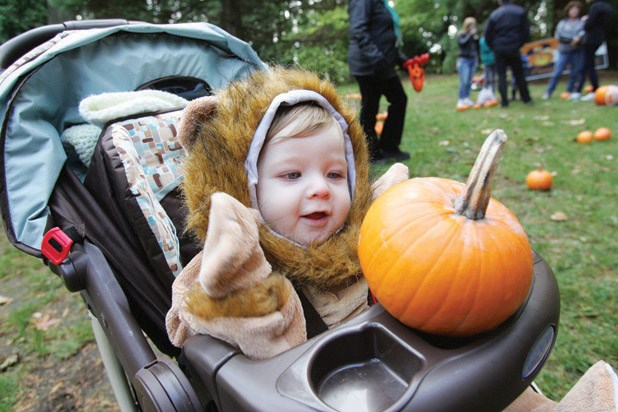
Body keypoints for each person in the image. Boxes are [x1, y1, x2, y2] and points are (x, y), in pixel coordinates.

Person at [165, 67, 409, 359]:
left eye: (335, 174)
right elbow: (182, 324)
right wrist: (231, 294)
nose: (321, 188)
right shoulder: (232, 259)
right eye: (293, 175)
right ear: (243, 188)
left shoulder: (371, 236)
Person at [348, 0, 410, 163]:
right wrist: (377, 59)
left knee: (399, 100)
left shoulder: (382, 3)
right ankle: (371, 153)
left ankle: (390, 146)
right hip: (368, 65)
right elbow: (359, 31)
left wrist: (403, 60)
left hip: (384, 64)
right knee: (370, 107)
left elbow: (386, 37)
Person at [485, 0, 533, 107]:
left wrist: (494, 46)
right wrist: (519, 44)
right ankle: (526, 99)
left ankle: (504, 102)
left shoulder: (495, 14)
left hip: (499, 48)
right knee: (519, 74)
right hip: (514, 47)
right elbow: (526, 31)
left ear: (499, 1)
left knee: (501, 75)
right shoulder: (520, 12)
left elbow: (488, 34)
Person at [542, 1, 585, 100]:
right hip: (564, 51)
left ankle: (569, 92)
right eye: (572, 9)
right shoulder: (563, 23)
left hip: (577, 51)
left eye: (576, 10)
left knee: (574, 72)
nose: (574, 12)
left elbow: (583, 34)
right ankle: (549, 92)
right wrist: (570, 40)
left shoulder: (581, 23)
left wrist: (578, 39)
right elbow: (558, 36)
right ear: (568, 10)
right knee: (557, 72)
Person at [574, 0, 613, 101]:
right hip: (599, 38)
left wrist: (585, 20)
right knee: (589, 65)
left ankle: (583, 91)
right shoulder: (608, 7)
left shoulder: (595, 6)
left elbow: (588, 25)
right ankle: (589, 90)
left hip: (590, 39)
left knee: (587, 65)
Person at [456, 17, 480, 111]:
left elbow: (476, 47)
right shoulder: (461, 35)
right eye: (471, 25)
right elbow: (462, 44)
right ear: (467, 25)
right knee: (464, 81)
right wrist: (470, 35)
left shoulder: (473, 36)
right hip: (464, 60)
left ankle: (466, 98)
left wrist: (475, 38)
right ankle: (461, 99)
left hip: (472, 59)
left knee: (470, 81)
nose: (472, 27)